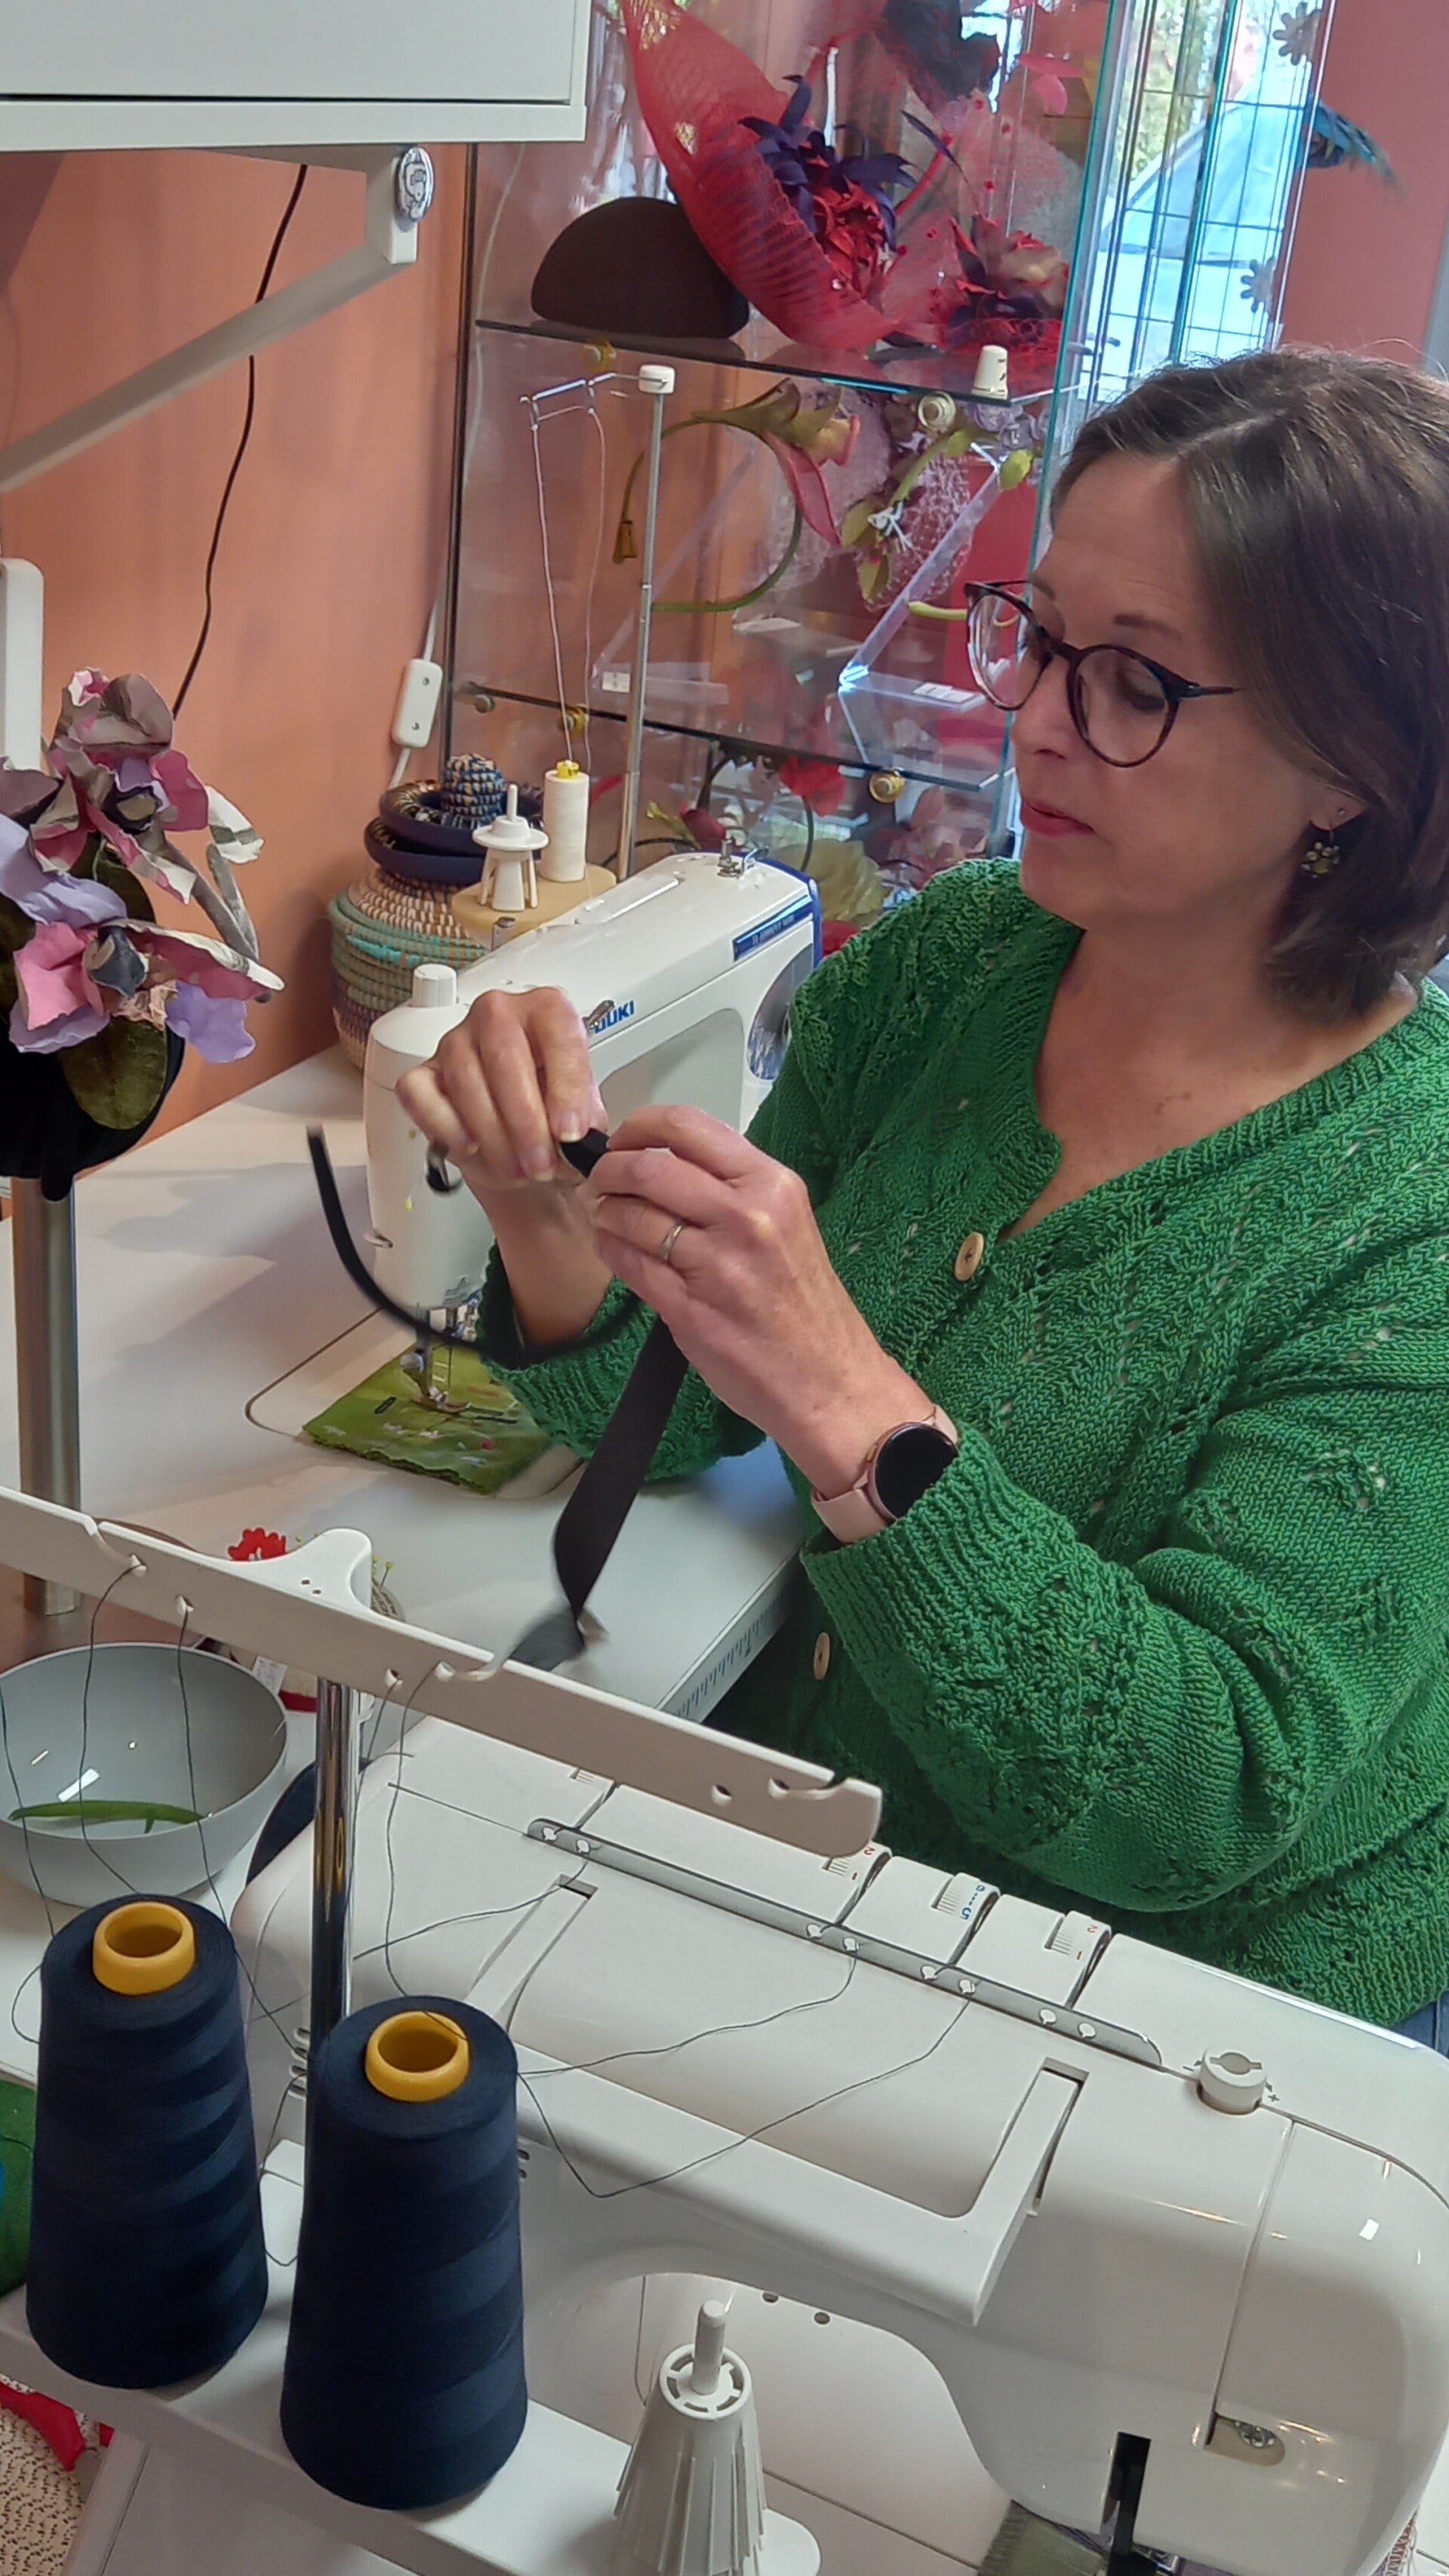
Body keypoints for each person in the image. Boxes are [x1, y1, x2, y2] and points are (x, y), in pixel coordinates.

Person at [399, 346, 1449, 2044]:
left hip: (1213, 2030)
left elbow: (1202, 1788)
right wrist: (542, 1210)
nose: (1034, 722)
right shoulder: (964, 961)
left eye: (1136, 683)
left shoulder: (1412, 1207)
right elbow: (691, 1414)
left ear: (1356, 764)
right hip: (857, 1866)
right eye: (1039, 638)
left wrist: (844, 1390)